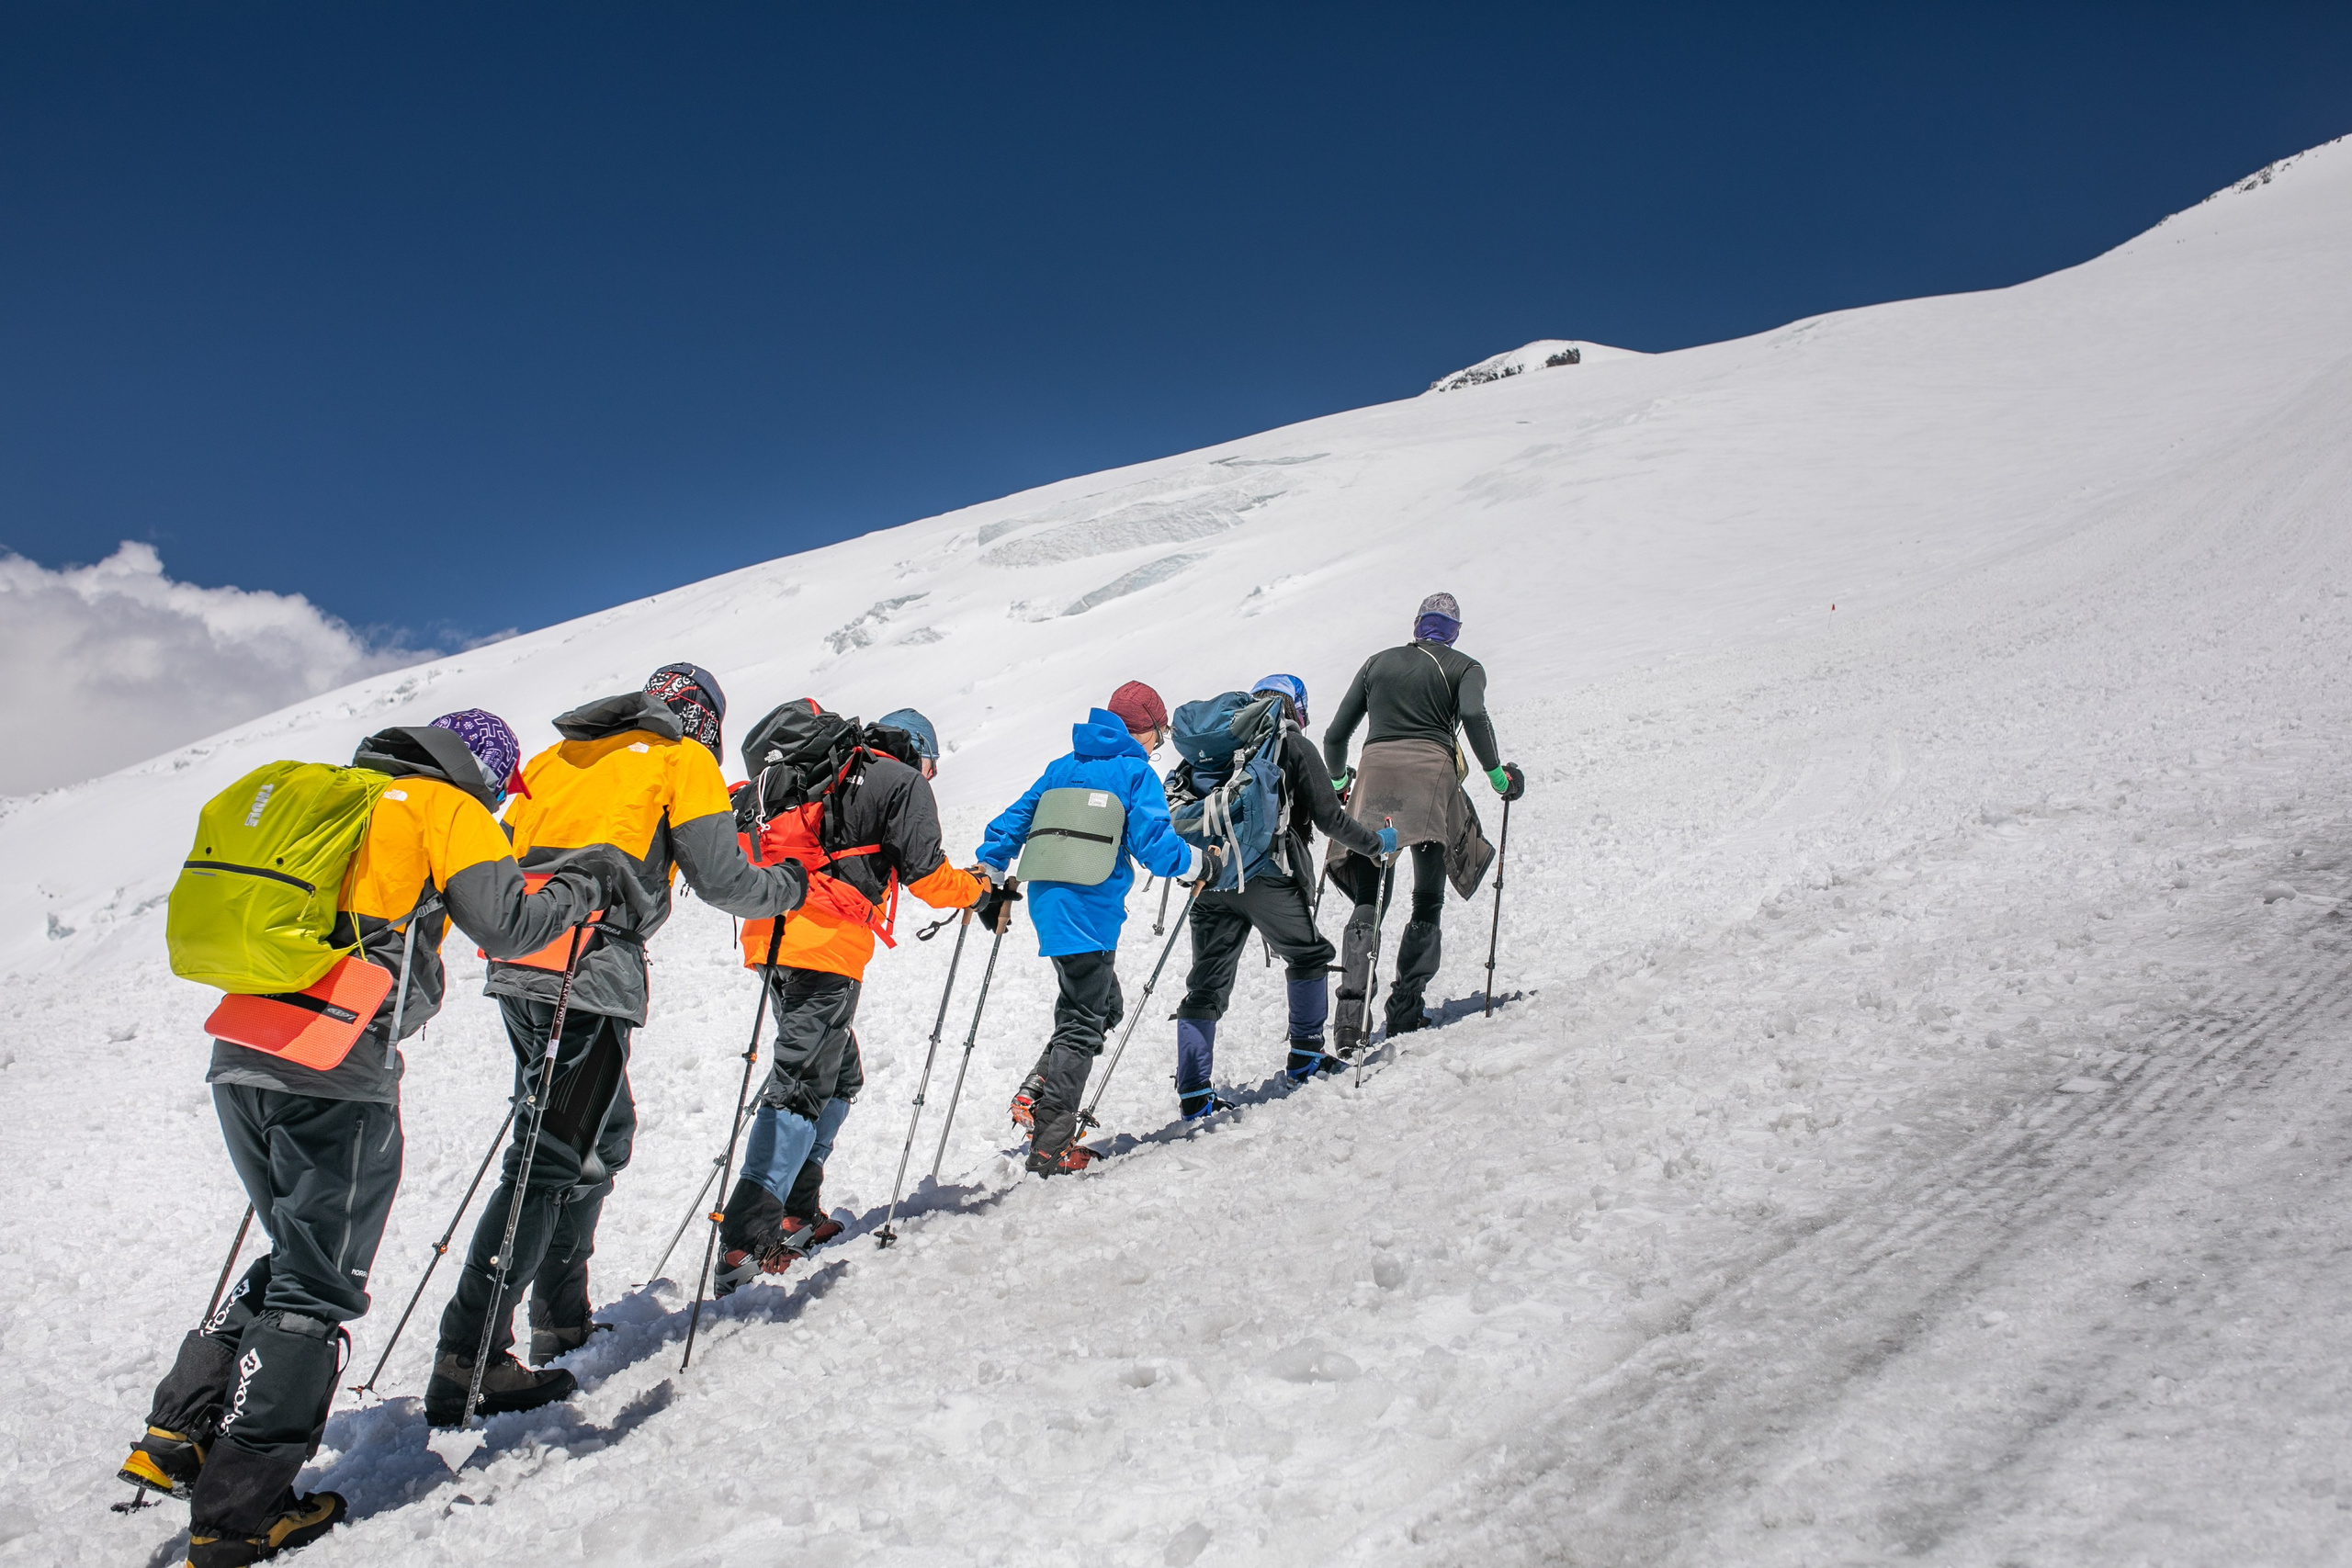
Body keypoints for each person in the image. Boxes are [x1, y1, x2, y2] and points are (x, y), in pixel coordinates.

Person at [119, 713, 619, 1566]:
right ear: (483, 773)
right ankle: (241, 1513)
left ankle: (177, 1434)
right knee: (319, 1284)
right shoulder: (442, 805)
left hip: (240, 1047)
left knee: (295, 1250)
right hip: (334, 1061)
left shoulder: (338, 793)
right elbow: (505, 924)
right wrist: (583, 890)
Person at [424, 664, 806, 1427]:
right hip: (588, 972)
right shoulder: (681, 759)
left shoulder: (553, 758)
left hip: (523, 962)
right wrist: (788, 887)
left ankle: (558, 1317)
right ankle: (472, 1357)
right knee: (548, 1156)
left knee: (601, 1134)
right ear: (703, 720)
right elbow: (724, 878)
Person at [713, 704, 986, 1293]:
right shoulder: (898, 780)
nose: (931, 776)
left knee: (838, 1077)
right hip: (825, 946)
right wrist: (978, 890)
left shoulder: (814, 779)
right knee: (801, 1082)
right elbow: (931, 879)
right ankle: (745, 1240)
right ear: (918, 749)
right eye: (932, 763)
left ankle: (796, 1211)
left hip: (770, 933)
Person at [978, 682, 1198, 1175]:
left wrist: (991, 865)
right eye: (1158, 737)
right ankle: (1051, 1145)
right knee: (1083, 1018)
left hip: (1048, 902)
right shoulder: (1134, 772)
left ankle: (1037, 1090)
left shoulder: (1062, 767)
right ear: (1145, 730)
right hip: (1090, 907)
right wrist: (1200, 862)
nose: (1157, 748)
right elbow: (1158, 849)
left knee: (1103, 1005)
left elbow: (1013, 820)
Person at [1168, 674, 1393, 1117]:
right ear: (1298, 708)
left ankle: (1194, 1094)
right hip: (1267, 876)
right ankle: (1306, 1058)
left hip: (1210, 878)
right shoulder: (1289, 743)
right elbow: (1330, 819)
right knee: (1308, 955)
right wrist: (1378, 843)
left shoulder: (1217, 749)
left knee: (1206, 983)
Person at [1322, 594, 1525, 1051]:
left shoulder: (1377, 663)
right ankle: (1405, 1010)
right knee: (1427, 898)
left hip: (1374, 782)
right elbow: (1473, 714)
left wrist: (1339, 784)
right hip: (1432, 782)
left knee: (1370, 897)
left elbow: (1335, 735)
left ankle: (1350, 1023)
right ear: (1453, 632)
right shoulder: (1465, 667)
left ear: (1416, 626)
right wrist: (1498, 777)